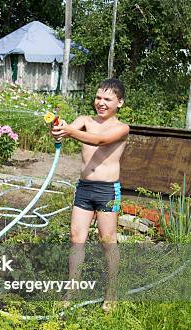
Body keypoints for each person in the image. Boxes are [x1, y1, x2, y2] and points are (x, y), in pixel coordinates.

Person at [51, 79, 130, 312]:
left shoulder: (122, 128)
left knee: (107, 241)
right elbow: (63, 134)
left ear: (120, 103)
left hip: (107, 190)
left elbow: (99, 141)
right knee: (76, 238)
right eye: (98, 98)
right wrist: (57, 129)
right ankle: (70, 291)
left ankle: (111, 292)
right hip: (84, 188)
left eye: (107, 99)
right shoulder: (84, 121)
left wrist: (69, 130)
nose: (101, 103)